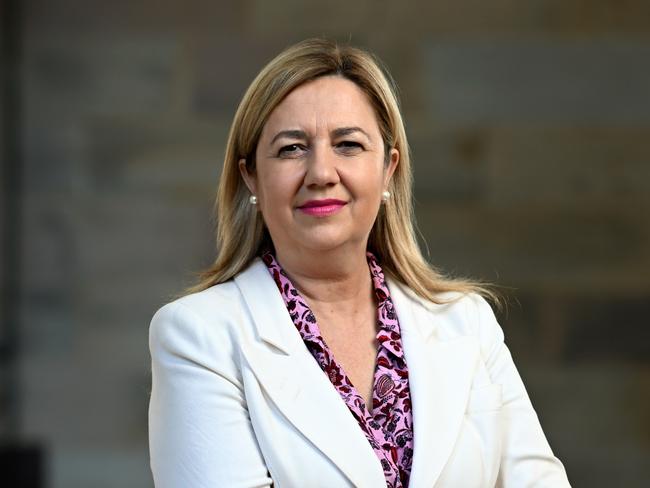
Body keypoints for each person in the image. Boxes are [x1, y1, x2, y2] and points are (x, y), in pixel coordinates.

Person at [148, 38, 571, 487]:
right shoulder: (198, 336)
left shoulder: (467, 323)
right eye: (292, 149)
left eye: (348, 144)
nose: (322, 173)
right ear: (251, 174)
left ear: (388, 169)